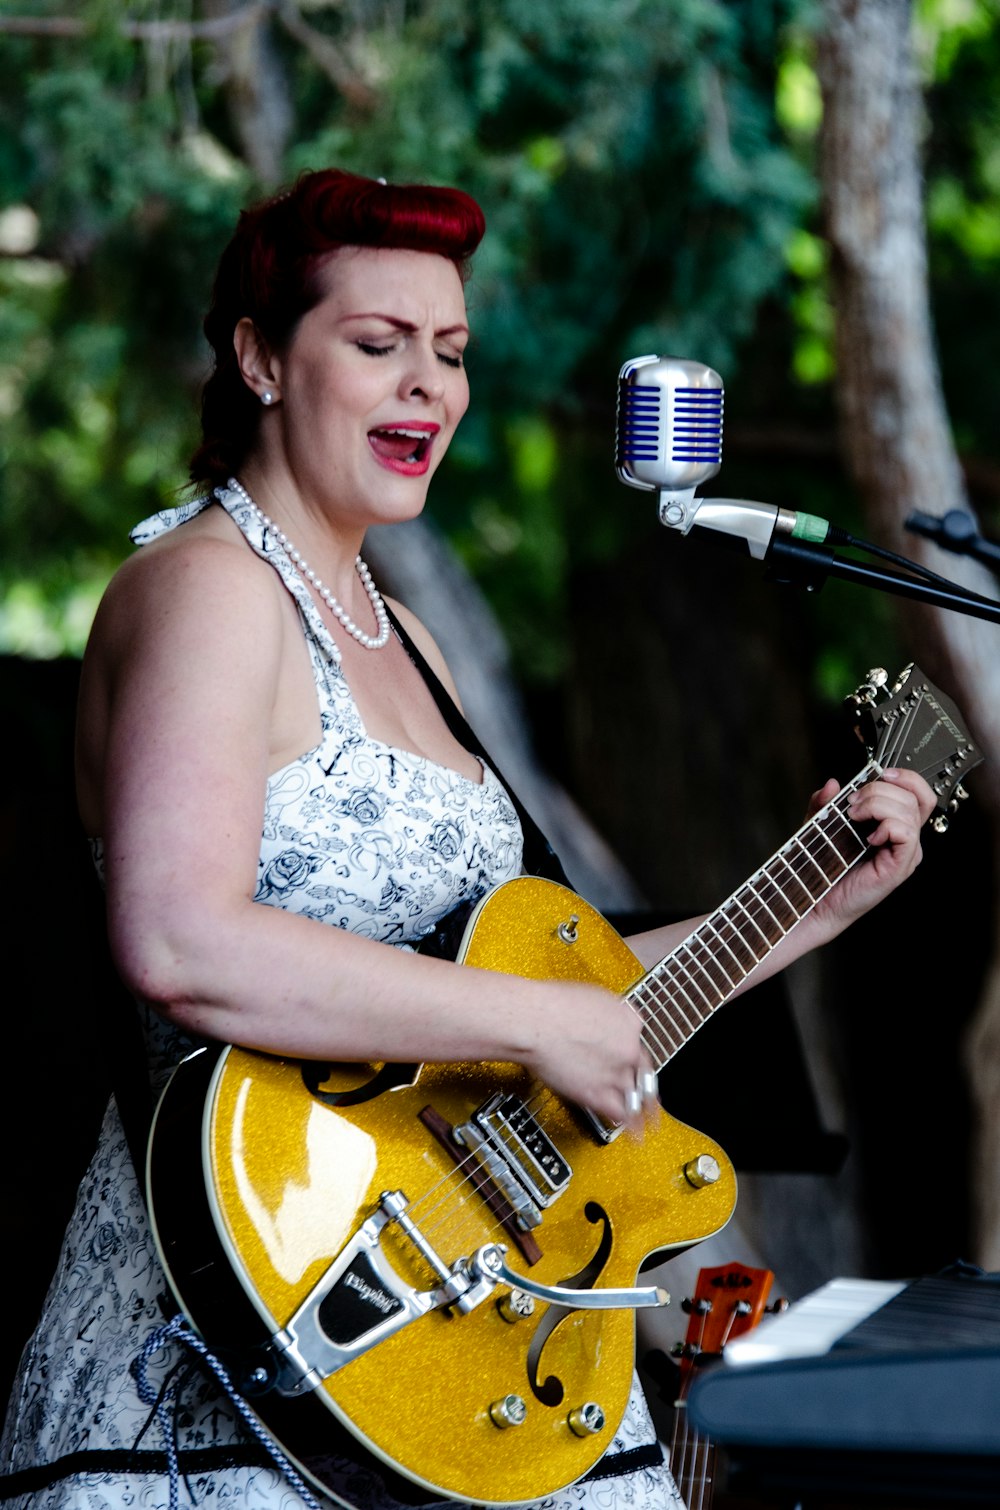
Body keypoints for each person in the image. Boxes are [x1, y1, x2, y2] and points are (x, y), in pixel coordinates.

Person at [0, 169, 934, 1510]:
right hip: (253, 1331)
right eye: (377, 346)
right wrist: (537, 1024)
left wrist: (807, 902)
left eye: (450, 353)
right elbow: (177, 936)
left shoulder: (412, 642)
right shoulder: (209, 588)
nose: (428, 387)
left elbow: (557, 994)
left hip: (474, 1326)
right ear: (261, 357)